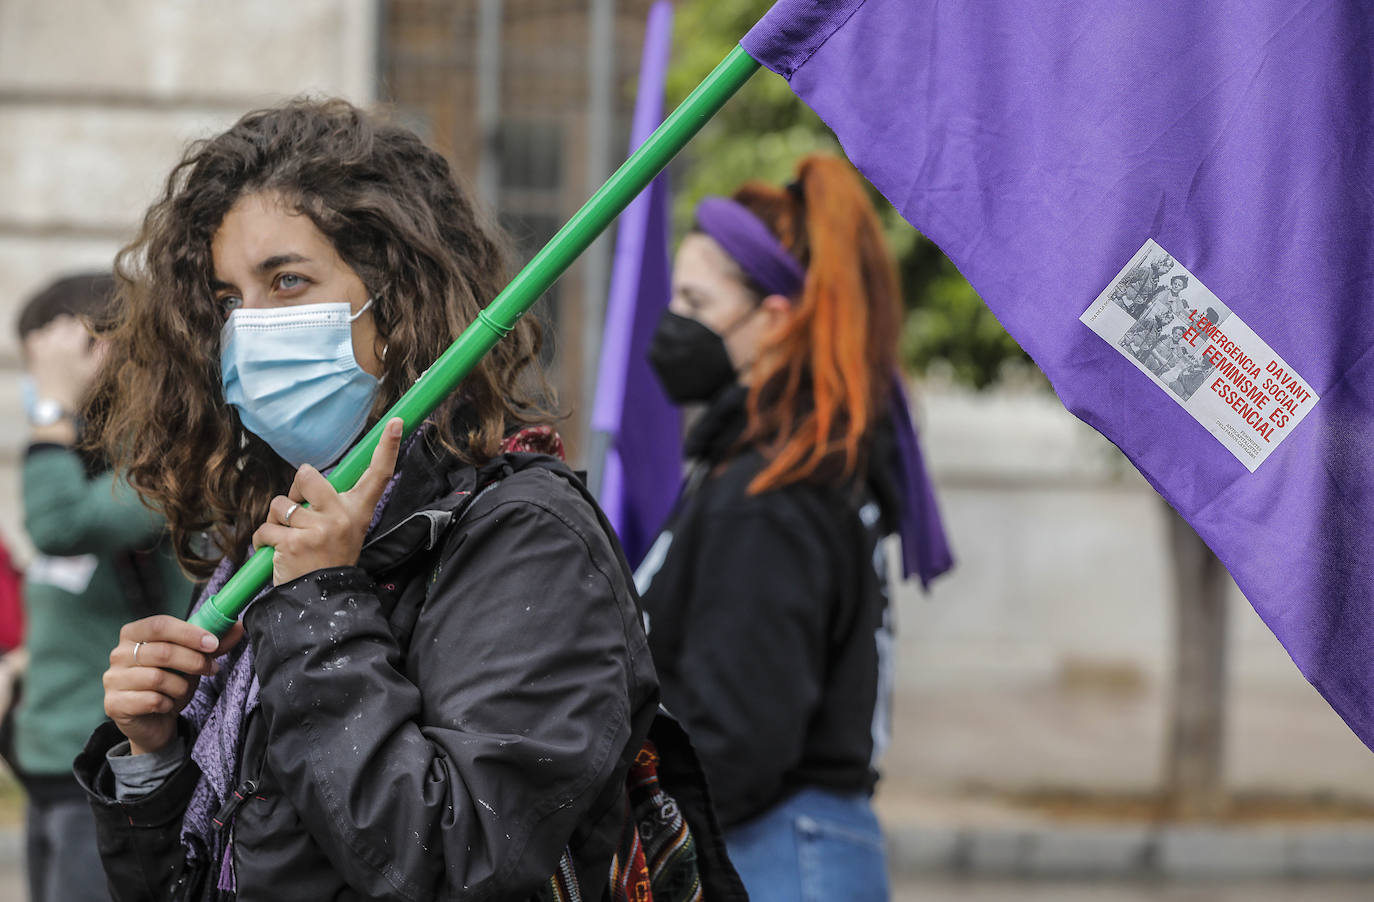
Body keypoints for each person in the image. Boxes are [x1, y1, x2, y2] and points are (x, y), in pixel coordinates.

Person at [72, 99, 740, 902]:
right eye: (227, 300)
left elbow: (456, 862)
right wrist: (153, 761)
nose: (250, 328)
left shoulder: (524, 536)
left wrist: (320, 606)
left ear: (398, 301)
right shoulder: (273, 540)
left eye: (288, 281)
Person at [637, 155, 945, 902]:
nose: (671, 323)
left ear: (773, 321)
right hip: (793, 853)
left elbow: (734, 740)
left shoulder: (770, 490)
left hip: (773, 859)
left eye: (694, 300)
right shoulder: (776, 466)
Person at [13, 273, 192, 902]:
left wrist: (51, 407)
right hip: (46, 769)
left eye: (55, 363)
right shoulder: (77, 459)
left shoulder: (162, 460)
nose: (43, 383)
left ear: (106, 350)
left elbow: (60, 525)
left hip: (104, 769)